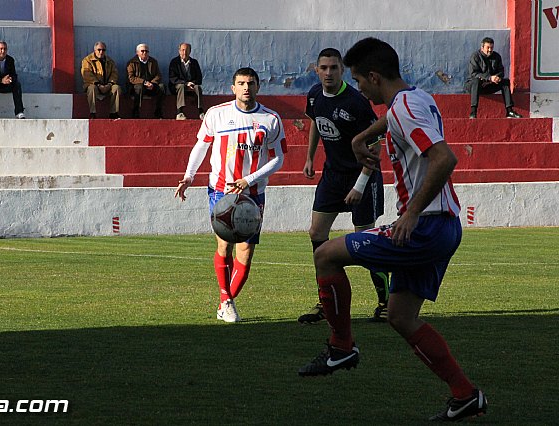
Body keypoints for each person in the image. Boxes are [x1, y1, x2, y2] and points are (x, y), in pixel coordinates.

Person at [298, 38, 487, 422]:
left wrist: (412, 213)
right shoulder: (414, 98)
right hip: (443, 226)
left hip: (426, 227)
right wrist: (360, 136)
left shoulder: (407, 107)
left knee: (325, 254)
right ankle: (465, 394)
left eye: (358, 80)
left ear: (373, 76)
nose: (359, 88)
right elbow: (397, 118)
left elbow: (443, 158)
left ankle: (341, 346)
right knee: (401, 316)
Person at [174, 67, 287, 323]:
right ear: (232, 87)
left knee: (245, 251)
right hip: (221, 191)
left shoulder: (271, 119)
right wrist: (188, 176)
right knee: (224, 244)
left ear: (258, 86)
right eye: (241, 83)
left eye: (251, 83)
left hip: (253, 193)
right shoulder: (216, 115)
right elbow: (200, 147)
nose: (246, 87)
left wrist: (249, 179)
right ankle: (226, 301)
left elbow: (278, 159)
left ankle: (226, 301)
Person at [297, 48, 388, 325]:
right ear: (317, 70)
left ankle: (386, 301)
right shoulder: (314, 95)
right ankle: (326, 301)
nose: (328, 73)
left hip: (362, 176)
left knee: (367, 241)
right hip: (332, 175)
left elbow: (375, 147)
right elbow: (316, 123)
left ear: (341, 70)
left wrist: (360, 184)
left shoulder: (356, 102)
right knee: (316, 232)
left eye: (333, 68)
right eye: (323, 68)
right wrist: (310, 156)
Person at [464, 37, 522, 119]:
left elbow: (501, 71)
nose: (490, 50)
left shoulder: (497, 56)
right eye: (488, 47)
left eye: (491, 47)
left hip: (489, 85)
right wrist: (489, 78)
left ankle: (510, 111)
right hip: (474, 86)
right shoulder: (475, 56)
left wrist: (497, 77)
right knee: (476, 81)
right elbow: (474, 73)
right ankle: (473, 111)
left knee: (505, 82)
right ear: (482, 48)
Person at [81, 41, 122, 119]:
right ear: (95, 50)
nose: (101, 52)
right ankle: (92, 112)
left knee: (116, 88)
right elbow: (87, 74)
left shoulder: (110, 61)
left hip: (107, 85)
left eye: (103, 50)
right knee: (91, 88)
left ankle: (113, 113)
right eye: (99, 50)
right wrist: (98, 84)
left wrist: (109, 84)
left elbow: (114, 74)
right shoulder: (87, 60)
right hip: (95, 86)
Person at [126, 43, 165, 118]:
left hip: (151, 86)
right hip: (137, 86)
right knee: (139, 88)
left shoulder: (153, 62)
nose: (145, 53)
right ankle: (136, 111)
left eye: (146, 51)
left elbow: (158, 75)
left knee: (162, 87)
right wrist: (144, 82)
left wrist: (153, 83)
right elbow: (131, 78)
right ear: (137, 52)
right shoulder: (131, 63)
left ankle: (158, 111)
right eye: (142, 51)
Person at [168, 42, 205, 120]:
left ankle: (201, 112)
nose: (184, 52)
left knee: (198, 87)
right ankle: (179, 112)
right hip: (177, 86)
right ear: (179, 51)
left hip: (191, 85)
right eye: (183, 50)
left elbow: (199, 78)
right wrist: (186, 84)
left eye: (187, 50)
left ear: (190, 51)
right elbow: (172, 78)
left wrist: (192, 84)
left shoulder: (194, 62)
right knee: (181, 86)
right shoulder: (174, 62)